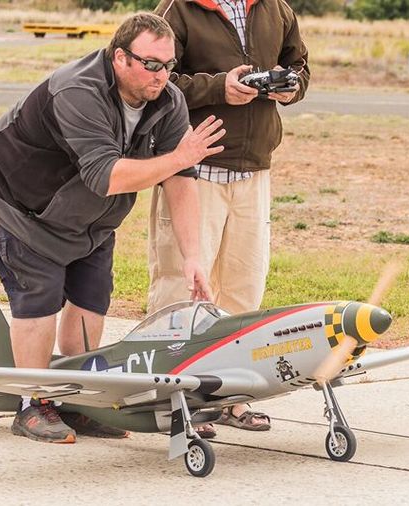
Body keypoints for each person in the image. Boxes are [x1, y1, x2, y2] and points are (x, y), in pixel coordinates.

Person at [0, 13, 222, 444]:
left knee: (92, 297)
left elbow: (180, 181)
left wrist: (192, 257)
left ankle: (79, 399)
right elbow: (105, 177)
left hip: (91, 217)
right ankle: (33, 404)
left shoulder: (167, 101)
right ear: (120, 57)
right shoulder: (78, 91)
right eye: (151, 64)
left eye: (169, 64)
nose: (162, 75)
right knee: (40, 295)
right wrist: (180, 157)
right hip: (21, 203)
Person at [150, 0, 310, 435]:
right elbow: (154, 79)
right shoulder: (179, 9)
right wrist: (219, 87)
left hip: (254, 170)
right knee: (180, 290)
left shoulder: (277, 8)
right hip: (194, 170)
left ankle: (230, 399)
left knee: (243, 289)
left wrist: (290, 88)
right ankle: (171, 403)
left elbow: (299, 65)